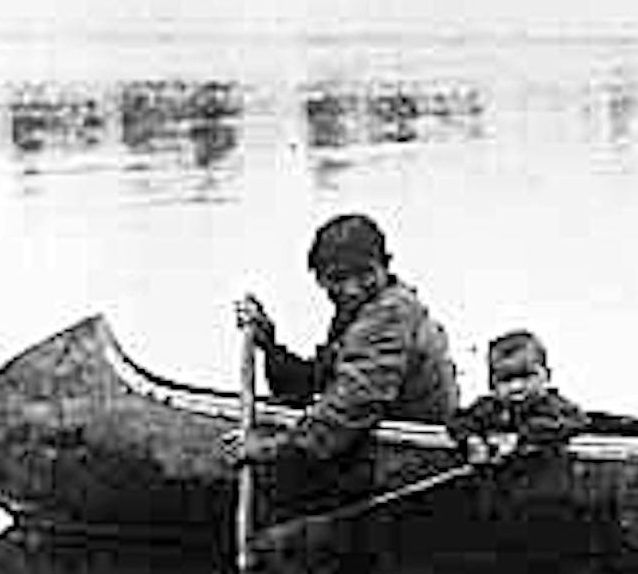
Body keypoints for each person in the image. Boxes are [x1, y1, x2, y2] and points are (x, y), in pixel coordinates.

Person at [225, 212, 461, 514]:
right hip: (371, 451)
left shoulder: (390, 314)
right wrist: (269, 345)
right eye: (338, 278)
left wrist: (268, 450)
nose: (352, 288)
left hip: (410, 467)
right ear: (320, 280)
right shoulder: (361, 311)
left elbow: (346, 413)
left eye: (364, 274)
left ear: (386, 265)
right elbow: (311, 385)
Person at [447, 329, 590, 465]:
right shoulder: (489, 408)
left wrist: (521, 439)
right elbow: (458, 422)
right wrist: (472, 440)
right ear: (492, 384)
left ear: (546, 375)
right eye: (506, 380)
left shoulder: (556, 406)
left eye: (526, 376)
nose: (516, 386)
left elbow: (575, 423)